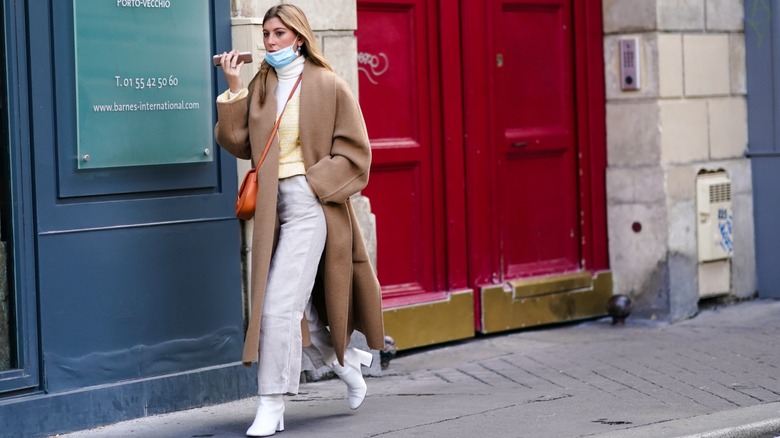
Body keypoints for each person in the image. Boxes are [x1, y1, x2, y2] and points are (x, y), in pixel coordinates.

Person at [213, 4, 385, 437]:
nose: (269, 41)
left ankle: (271, 402)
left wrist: (315, 183)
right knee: (298, 306)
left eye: (278, 34)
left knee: (277, 306)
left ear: (299, 37)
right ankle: (345, 361)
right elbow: (239, 143)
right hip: (272, 206)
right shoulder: (263, 83)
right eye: (266, 34)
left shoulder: (327, 84)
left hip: (310, 203)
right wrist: (233, 89)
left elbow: (357, 154)